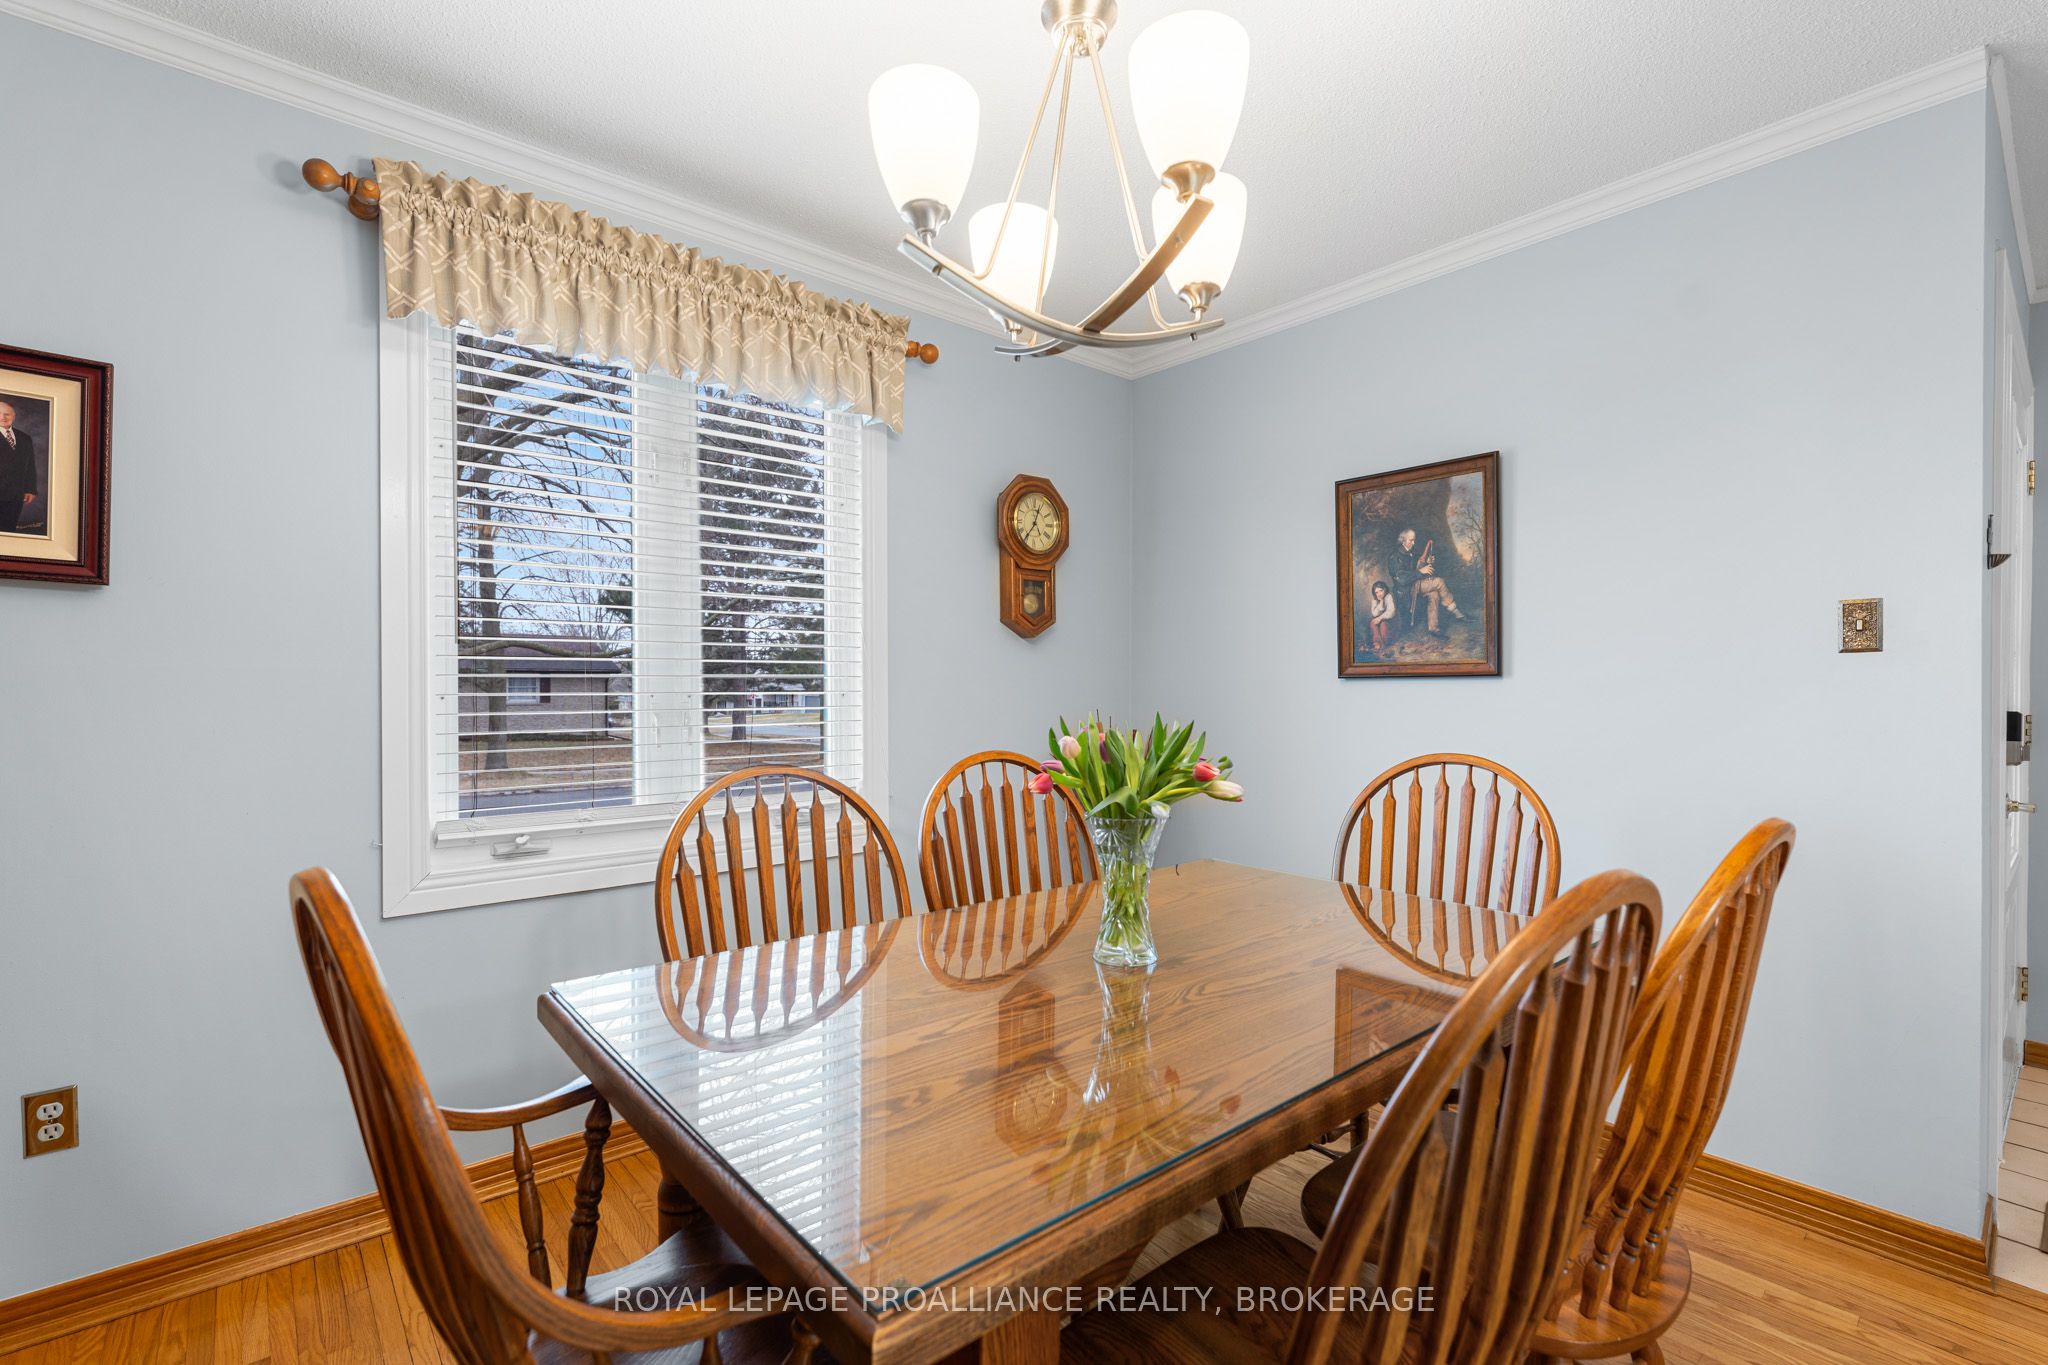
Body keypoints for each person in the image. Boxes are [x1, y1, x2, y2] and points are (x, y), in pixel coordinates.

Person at [1391, 528, 1465, 635]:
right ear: (1403, 541)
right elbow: (1401, 579)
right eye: (1411, 540)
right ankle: (1455, 611)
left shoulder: (1412, 552)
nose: (1413, 543)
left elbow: (1419, 565)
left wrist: (1427, 562)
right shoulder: (1395, 557)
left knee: (1434, 594)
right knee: (1439, 582)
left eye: (1414, 540)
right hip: (1406, 589)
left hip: (1417, 584)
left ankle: (1433, 628)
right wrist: (1420, 571)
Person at [0, 401, 37, 534]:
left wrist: (30, 489)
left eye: (7, 414)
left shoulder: (24, 438)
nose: (3, 417)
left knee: (8, 531)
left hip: (16, 495)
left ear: (14, 416)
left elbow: (30, 465)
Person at [1368, 579, 1396, 654]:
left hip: (1391, 621)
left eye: (1381, 591)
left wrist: (1380, 618)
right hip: (1379, 620)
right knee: (1372, 622)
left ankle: (1382, 643)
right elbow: (1374, 614)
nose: (1379, 594)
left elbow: (1391, 612)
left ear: (1385, 590)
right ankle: (1377, 643)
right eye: (1376, 592)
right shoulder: (1375, 600)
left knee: (1383, 624)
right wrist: (1381, 602)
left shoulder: (1389, 596)